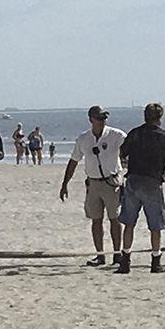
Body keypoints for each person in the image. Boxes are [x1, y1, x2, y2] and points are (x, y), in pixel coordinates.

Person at [115, 103, 165, 273]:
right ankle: (155, 262)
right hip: (152, 182)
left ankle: (125, 260)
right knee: (155, 225)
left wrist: (125, 166)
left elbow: (121, 153)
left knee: (129, 222)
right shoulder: (164, 137)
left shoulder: (135, 133)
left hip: (134, 180)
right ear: (160, 118)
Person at [59, 106, 127, 265]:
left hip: (112, 182)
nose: (103, 120)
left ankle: (117, 254)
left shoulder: (116, 135)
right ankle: (100, 255)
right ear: (91, 119)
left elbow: (131, 149)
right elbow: (73, 161)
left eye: (104, 118)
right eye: (100, 118)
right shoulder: (83, 139)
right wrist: (65, 184)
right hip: (93, 184)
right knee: (96, 220)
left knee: (115, 219)